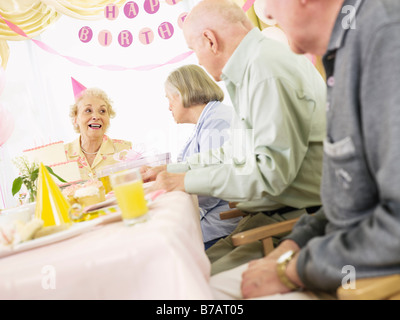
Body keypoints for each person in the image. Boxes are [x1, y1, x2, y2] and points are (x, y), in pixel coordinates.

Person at [212, 0, 400, 299]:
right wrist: (293, 246)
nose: (268, 15)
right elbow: (349, 202)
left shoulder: (385, 38)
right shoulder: (345, 49)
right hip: (333, 257)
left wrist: (293, 270)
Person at [142, 0, 327, 276]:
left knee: (186, 281)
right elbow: (235, 150)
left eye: (195, 51)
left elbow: (269, 174)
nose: (198, 60)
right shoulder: (254, 67)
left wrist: (187, 181)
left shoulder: (265, 70)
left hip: (299, 222)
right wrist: (175, 170)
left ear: (210, 40)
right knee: (180, 271)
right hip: (272, 217)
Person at [165, 64, 241, 249]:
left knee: (169, 245)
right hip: (215, 215)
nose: (169, 107)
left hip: (223, 221)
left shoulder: (218, 122)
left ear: (183, 93)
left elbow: (211, 188)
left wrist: (174, 186)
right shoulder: (209, 120)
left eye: (169, 99)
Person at [65, 83, 132, 181]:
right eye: (88, 110)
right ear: (75, 119)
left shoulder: (125, 150)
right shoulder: (62, 156)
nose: (96, 116)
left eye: (102, 111)